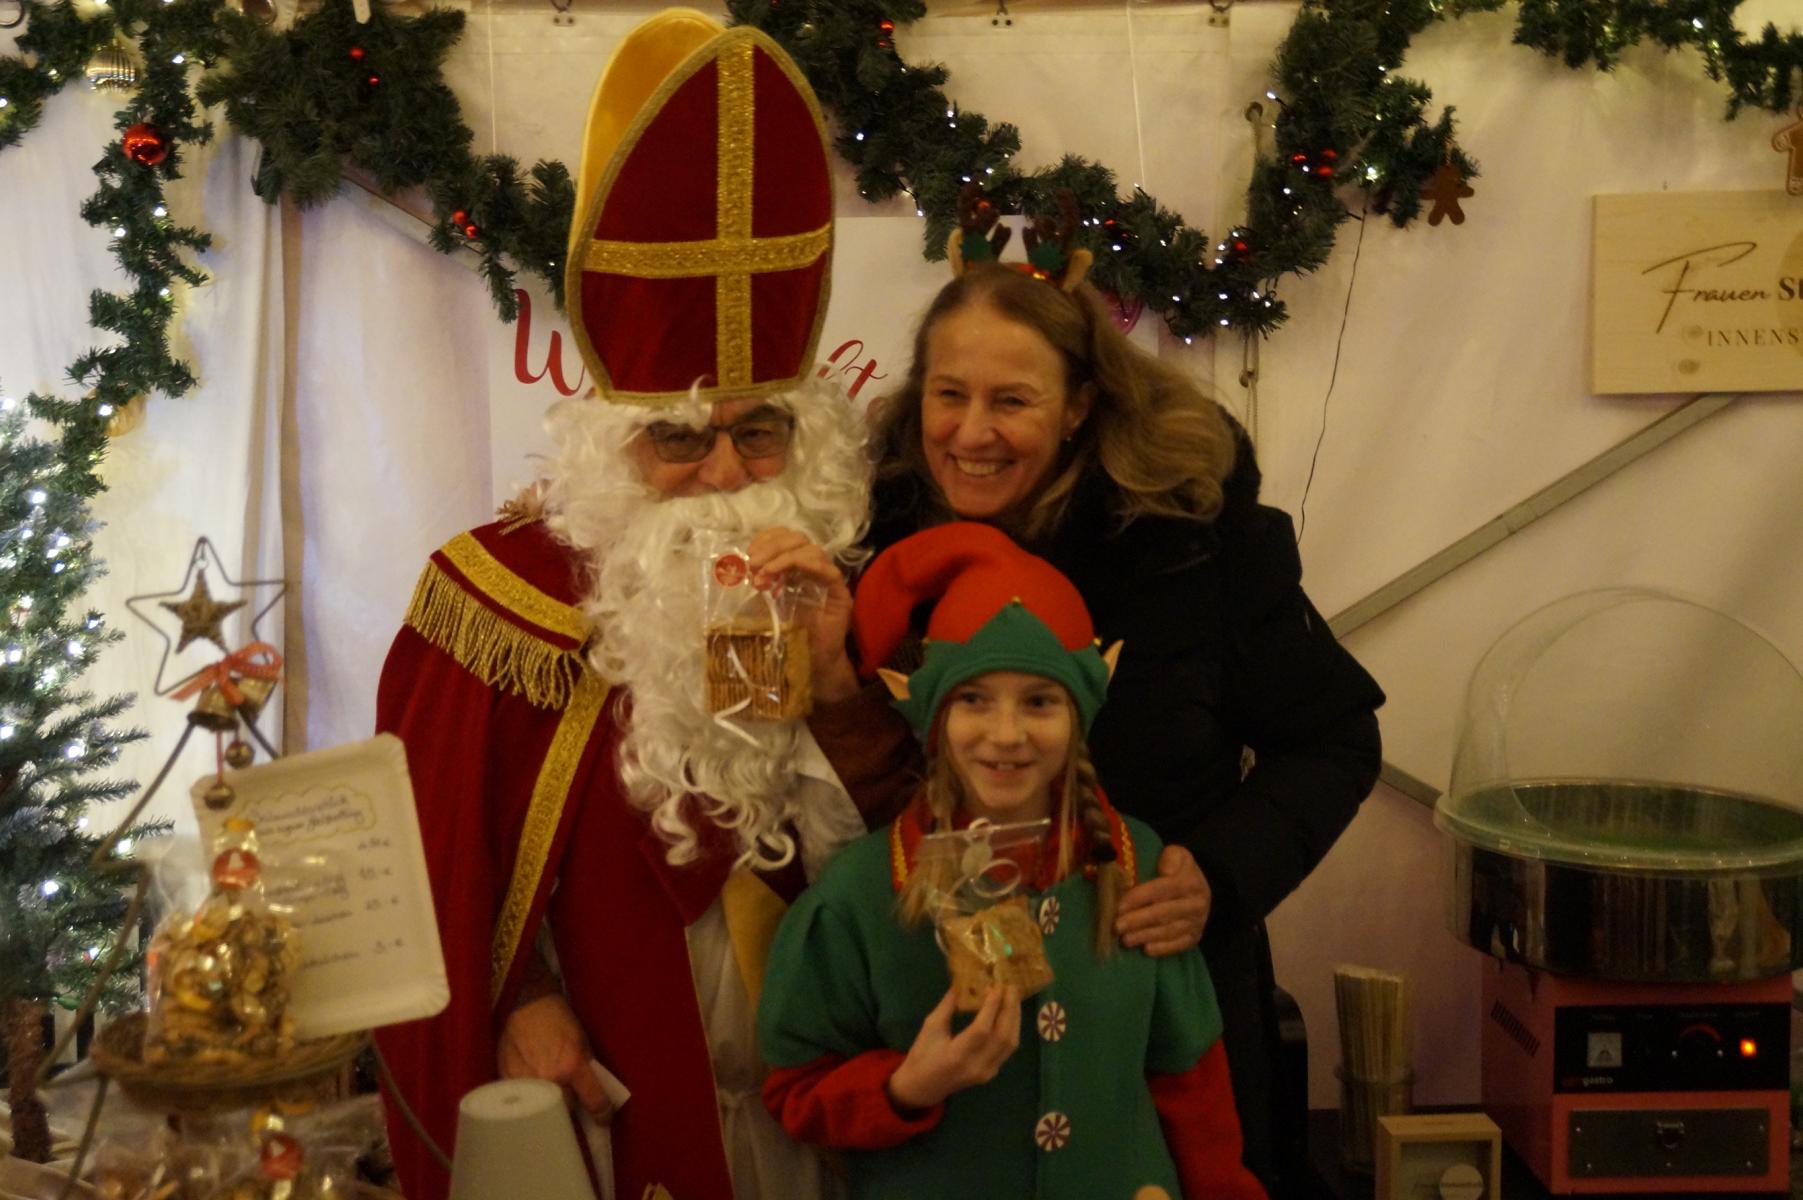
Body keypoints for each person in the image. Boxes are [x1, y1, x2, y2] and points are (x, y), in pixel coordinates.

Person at [372, 13, 870, 1200]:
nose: (725, 474)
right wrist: (520, 997)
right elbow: (435, 875)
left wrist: (840, 685)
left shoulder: (851, 584)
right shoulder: (493, 603)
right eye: (679, 439)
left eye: (759, 432)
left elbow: (916, 854)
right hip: (610, 1085)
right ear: (611, 442)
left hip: (832, 1094)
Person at [802, 249, 1386, 1191]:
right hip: (949, 1014)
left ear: (1078, 405)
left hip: (1160, 993)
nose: (972, 432)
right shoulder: (869, 538)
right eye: (949, 396)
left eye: (1012, 401)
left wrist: (1218, 875)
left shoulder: (1192, 537)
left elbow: (1333, 738)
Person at [757, 521, 1267, 1200]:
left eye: (1039, 701)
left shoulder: (1137, 867)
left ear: (1080, 714)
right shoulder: (858, 894)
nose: (1005, 734)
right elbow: (795, 1090)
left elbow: (1192, 1084)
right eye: (973, 699)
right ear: (933, 714)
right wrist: (907, 1087)